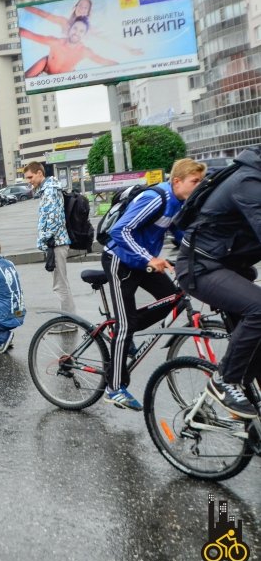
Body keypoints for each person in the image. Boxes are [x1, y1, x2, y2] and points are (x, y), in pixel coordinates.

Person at [100, 158, 206, 410]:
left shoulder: (179, 203)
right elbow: (120, 231)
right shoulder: (156, 198)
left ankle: (125, 328)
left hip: (143, 261)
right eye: (195, 181)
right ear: (177, 181)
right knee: (126, 324)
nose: (199, 186)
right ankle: (114, 387)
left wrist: (203, 258)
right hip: (120, 260)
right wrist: (149, 257)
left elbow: (182, 236)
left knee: (175, 298)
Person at [176, 147, 261, 419]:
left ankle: (249, 413)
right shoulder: (247, 183)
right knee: (259, 309)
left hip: (229, 266)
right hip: (201, 268)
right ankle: (224, 381)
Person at [23, 162, 75, 315]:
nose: (29, 181)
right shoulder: (48, 189)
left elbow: (53, 219)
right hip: (56, 242)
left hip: (56, 243)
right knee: (61, 283)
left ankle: (69, 321)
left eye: (30, 177)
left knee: (60, 285)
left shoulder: (50, 190)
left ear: (40, 173)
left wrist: (43, 239)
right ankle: (69, 318)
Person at [20, 17, 118, 77]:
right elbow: (30, 35)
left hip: (65, 81)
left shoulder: (84, 51)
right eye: (75, 28)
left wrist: (126, 69)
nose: (76, 33)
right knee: (44, 60)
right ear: (69, 29)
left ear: (84, 35)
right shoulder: (55, 42)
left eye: (81, 31)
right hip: (45, 77)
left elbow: (104, 61)